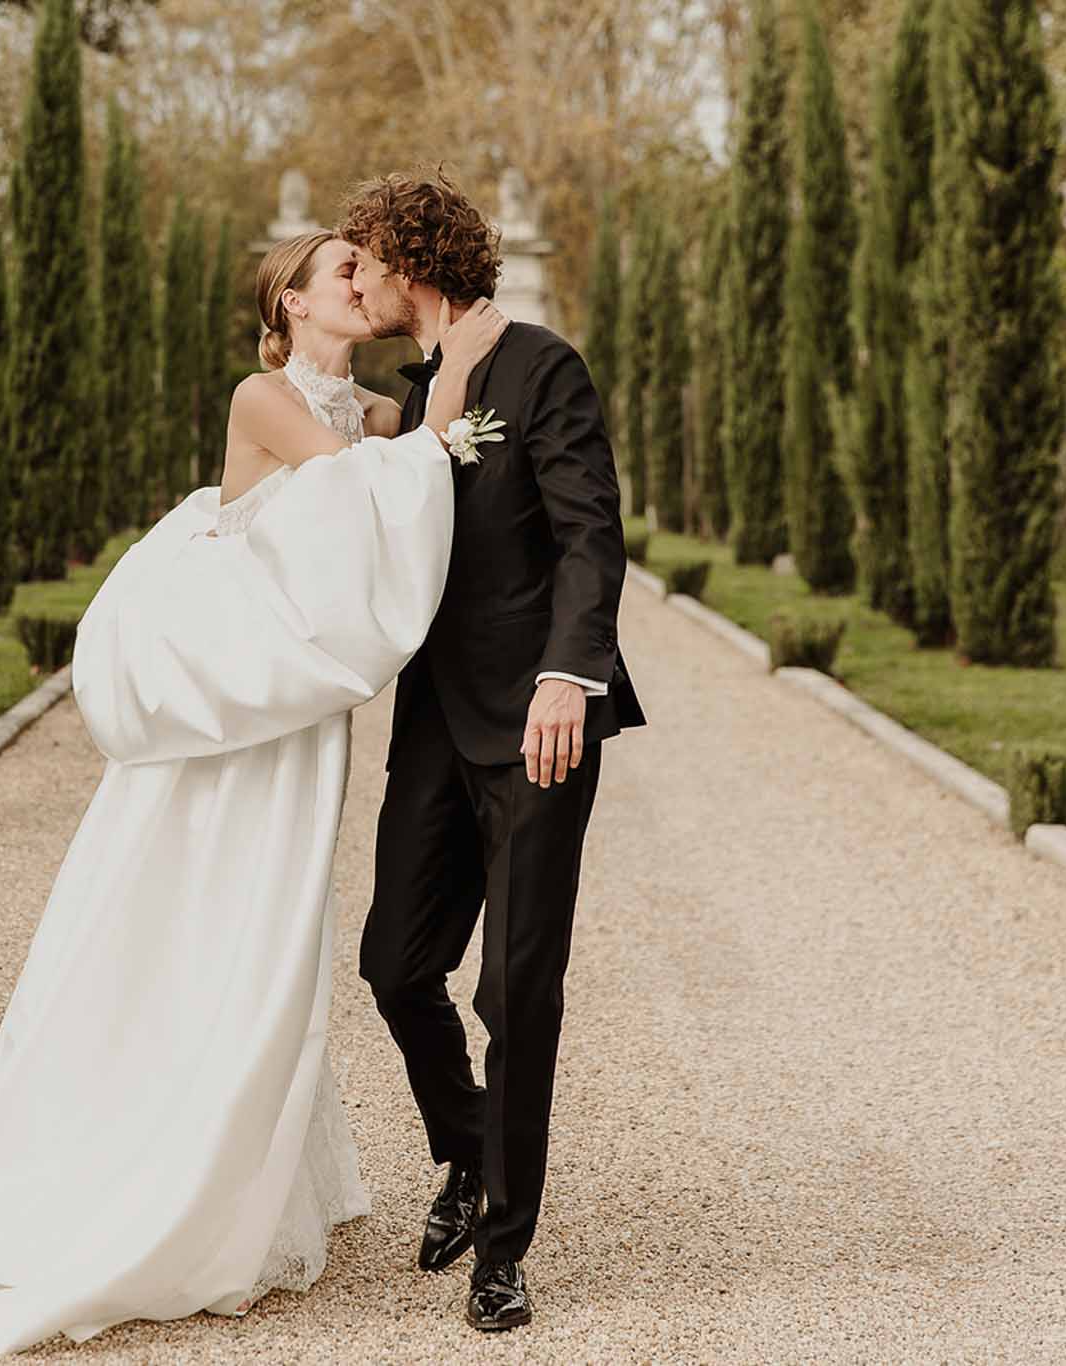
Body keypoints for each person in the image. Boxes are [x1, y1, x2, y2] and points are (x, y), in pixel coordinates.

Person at [0, 229, 508, 1354]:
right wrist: (458, 374)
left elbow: (414, 498)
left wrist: (444, 405)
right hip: (227, 717)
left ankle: (239, 1164)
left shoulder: (376, 411)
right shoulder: (265, 400)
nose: (365, 281)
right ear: (292, 305)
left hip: (298, 714)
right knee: (188, 914)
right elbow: (364, 488)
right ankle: (143, 1159)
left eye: (367, 267)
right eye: (343, 270)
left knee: (270, 927)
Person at [340, 168, 645, 1333]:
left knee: (514, 989)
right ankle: (467, 1150)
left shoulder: (541, 366)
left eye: (364, 261)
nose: (356, 281)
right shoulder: (416, 394)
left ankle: (502, 1249)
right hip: (433, 718)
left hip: (536, 724)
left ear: (410, 264)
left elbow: (588, 534)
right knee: (392, 964)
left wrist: (570, 673)